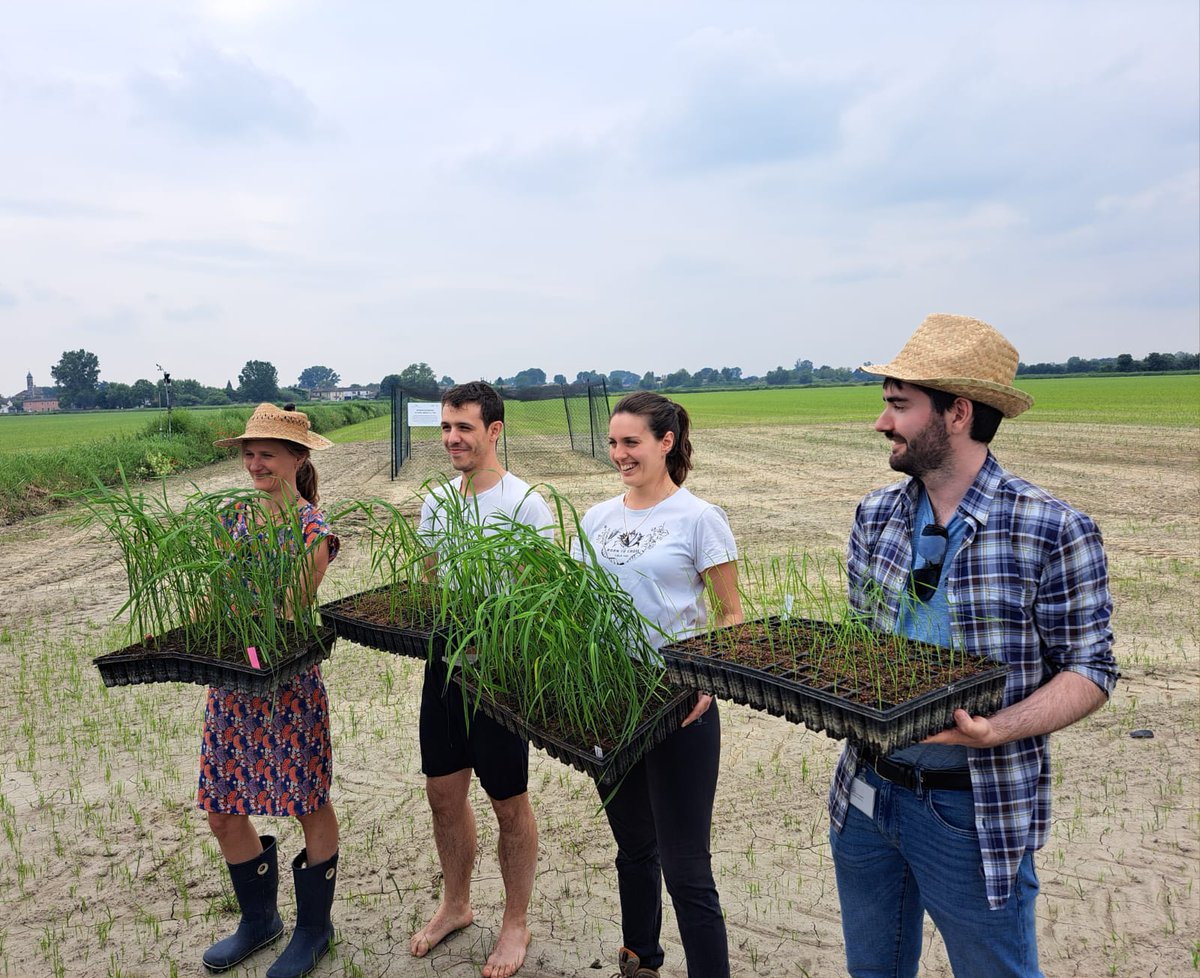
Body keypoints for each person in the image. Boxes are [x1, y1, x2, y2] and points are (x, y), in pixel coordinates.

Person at [827, 314, 1119, 977]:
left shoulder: (1052, 528)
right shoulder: (875, 516)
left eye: (899, 405)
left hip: (970, 809)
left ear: (957, 413)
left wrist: (997, 729)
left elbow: (1092, 668)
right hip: (866, 797)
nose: (881, 422)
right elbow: (863, 646)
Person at [574, 391, 742, 978]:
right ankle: (640, 959)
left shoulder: (699, 518)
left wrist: (709, 683)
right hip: (612, 702)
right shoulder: (596, 518)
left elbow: (730, 615)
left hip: (678, 705)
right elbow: (576, 606)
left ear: (666, 443)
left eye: (632, 442)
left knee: (687, 867)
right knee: (634, 849)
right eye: (614, 443)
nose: (619, 454)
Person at [410, 381, 553, 978]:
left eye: (463, 427)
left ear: (494, 431)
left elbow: (540, 601)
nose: (451, 439)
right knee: (443, 793)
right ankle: (457, 904)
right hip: (445, 667)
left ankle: (515, 922)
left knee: (507, 801)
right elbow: (428, 585)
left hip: (501, 674)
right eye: (446, 427)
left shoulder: (526, 506)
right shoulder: (438, 502)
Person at [199, 403, 341, 978]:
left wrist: (237, 614)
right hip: (232, 685)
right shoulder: (231, 515)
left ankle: (314, 928)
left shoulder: (314, 531)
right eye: (249, 453)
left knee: (307, 799)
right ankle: (259, 921)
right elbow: (213, 599)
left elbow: (286, 612)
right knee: (222, 808)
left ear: (298, 459)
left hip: (286, 683)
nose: (256, 463)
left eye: (268, 454)